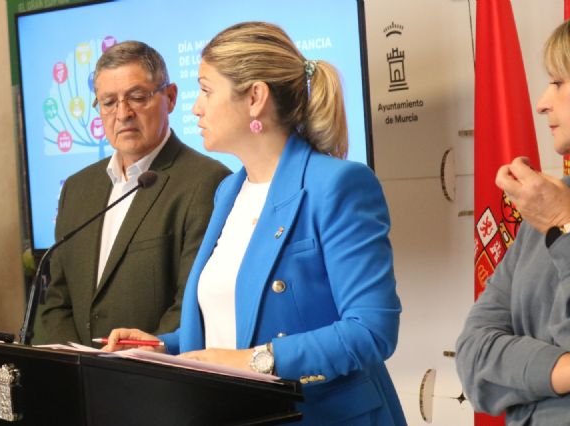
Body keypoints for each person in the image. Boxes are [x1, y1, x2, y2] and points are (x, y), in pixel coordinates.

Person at [104, 22, 406, 425]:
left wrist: (255, 361)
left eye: (206, 90)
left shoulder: (338, 184)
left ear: (255, 98)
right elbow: (232, 328)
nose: (196, 108)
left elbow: (371, 330)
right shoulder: (228, 191)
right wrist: (162, 347)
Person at [32, 41, 230, 346]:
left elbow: (193, 303)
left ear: (171, 97)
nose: (122, 113)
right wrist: (77, 361)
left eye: (137, 97)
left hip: (154, 370)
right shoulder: (76, 188)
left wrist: (140, 355)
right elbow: (56, 300)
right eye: (108, 102)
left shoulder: (208, 181)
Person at [456, 20, 570, 424]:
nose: (541, 103)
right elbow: (472, 357)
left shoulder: (552, 210)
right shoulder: (543, 206)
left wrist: (563, 224)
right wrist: (559, 371)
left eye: (558, 82)